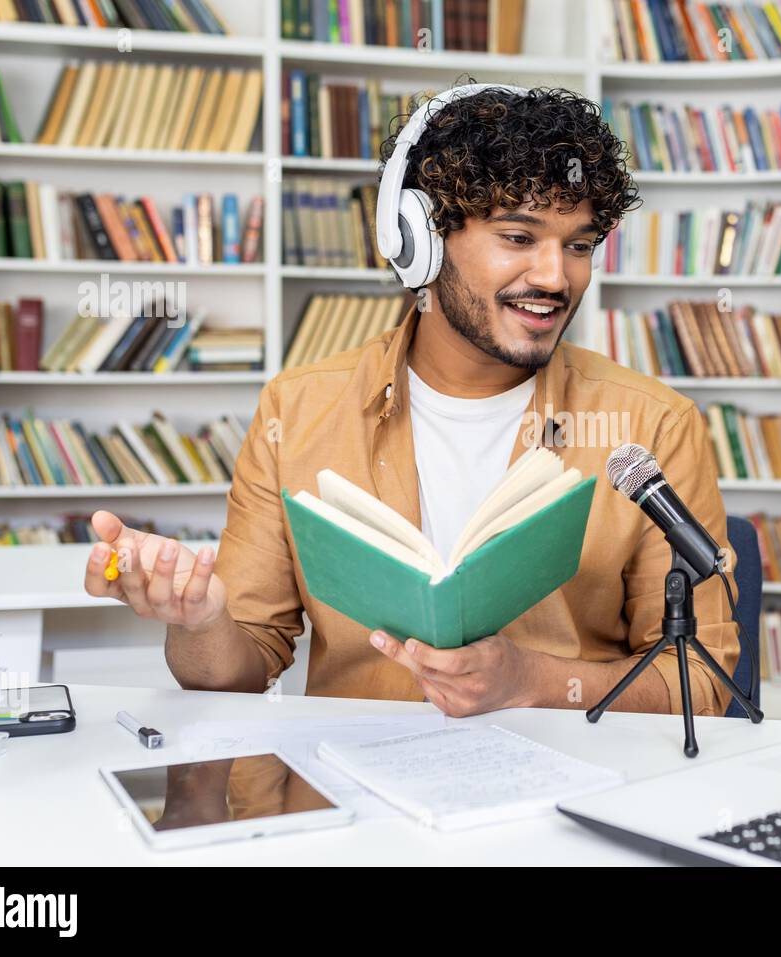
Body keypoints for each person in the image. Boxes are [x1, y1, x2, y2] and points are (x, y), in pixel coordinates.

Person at [82, 83, 740, 718]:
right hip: (357, 801)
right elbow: (238, 667)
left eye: (579, 246)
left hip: (562, 799)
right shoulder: (298, 410)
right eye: (518, 236)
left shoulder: (655, 424)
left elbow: (702, 684)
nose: (554, 277)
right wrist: (198, 621)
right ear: (417, 241)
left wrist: (529, 681)